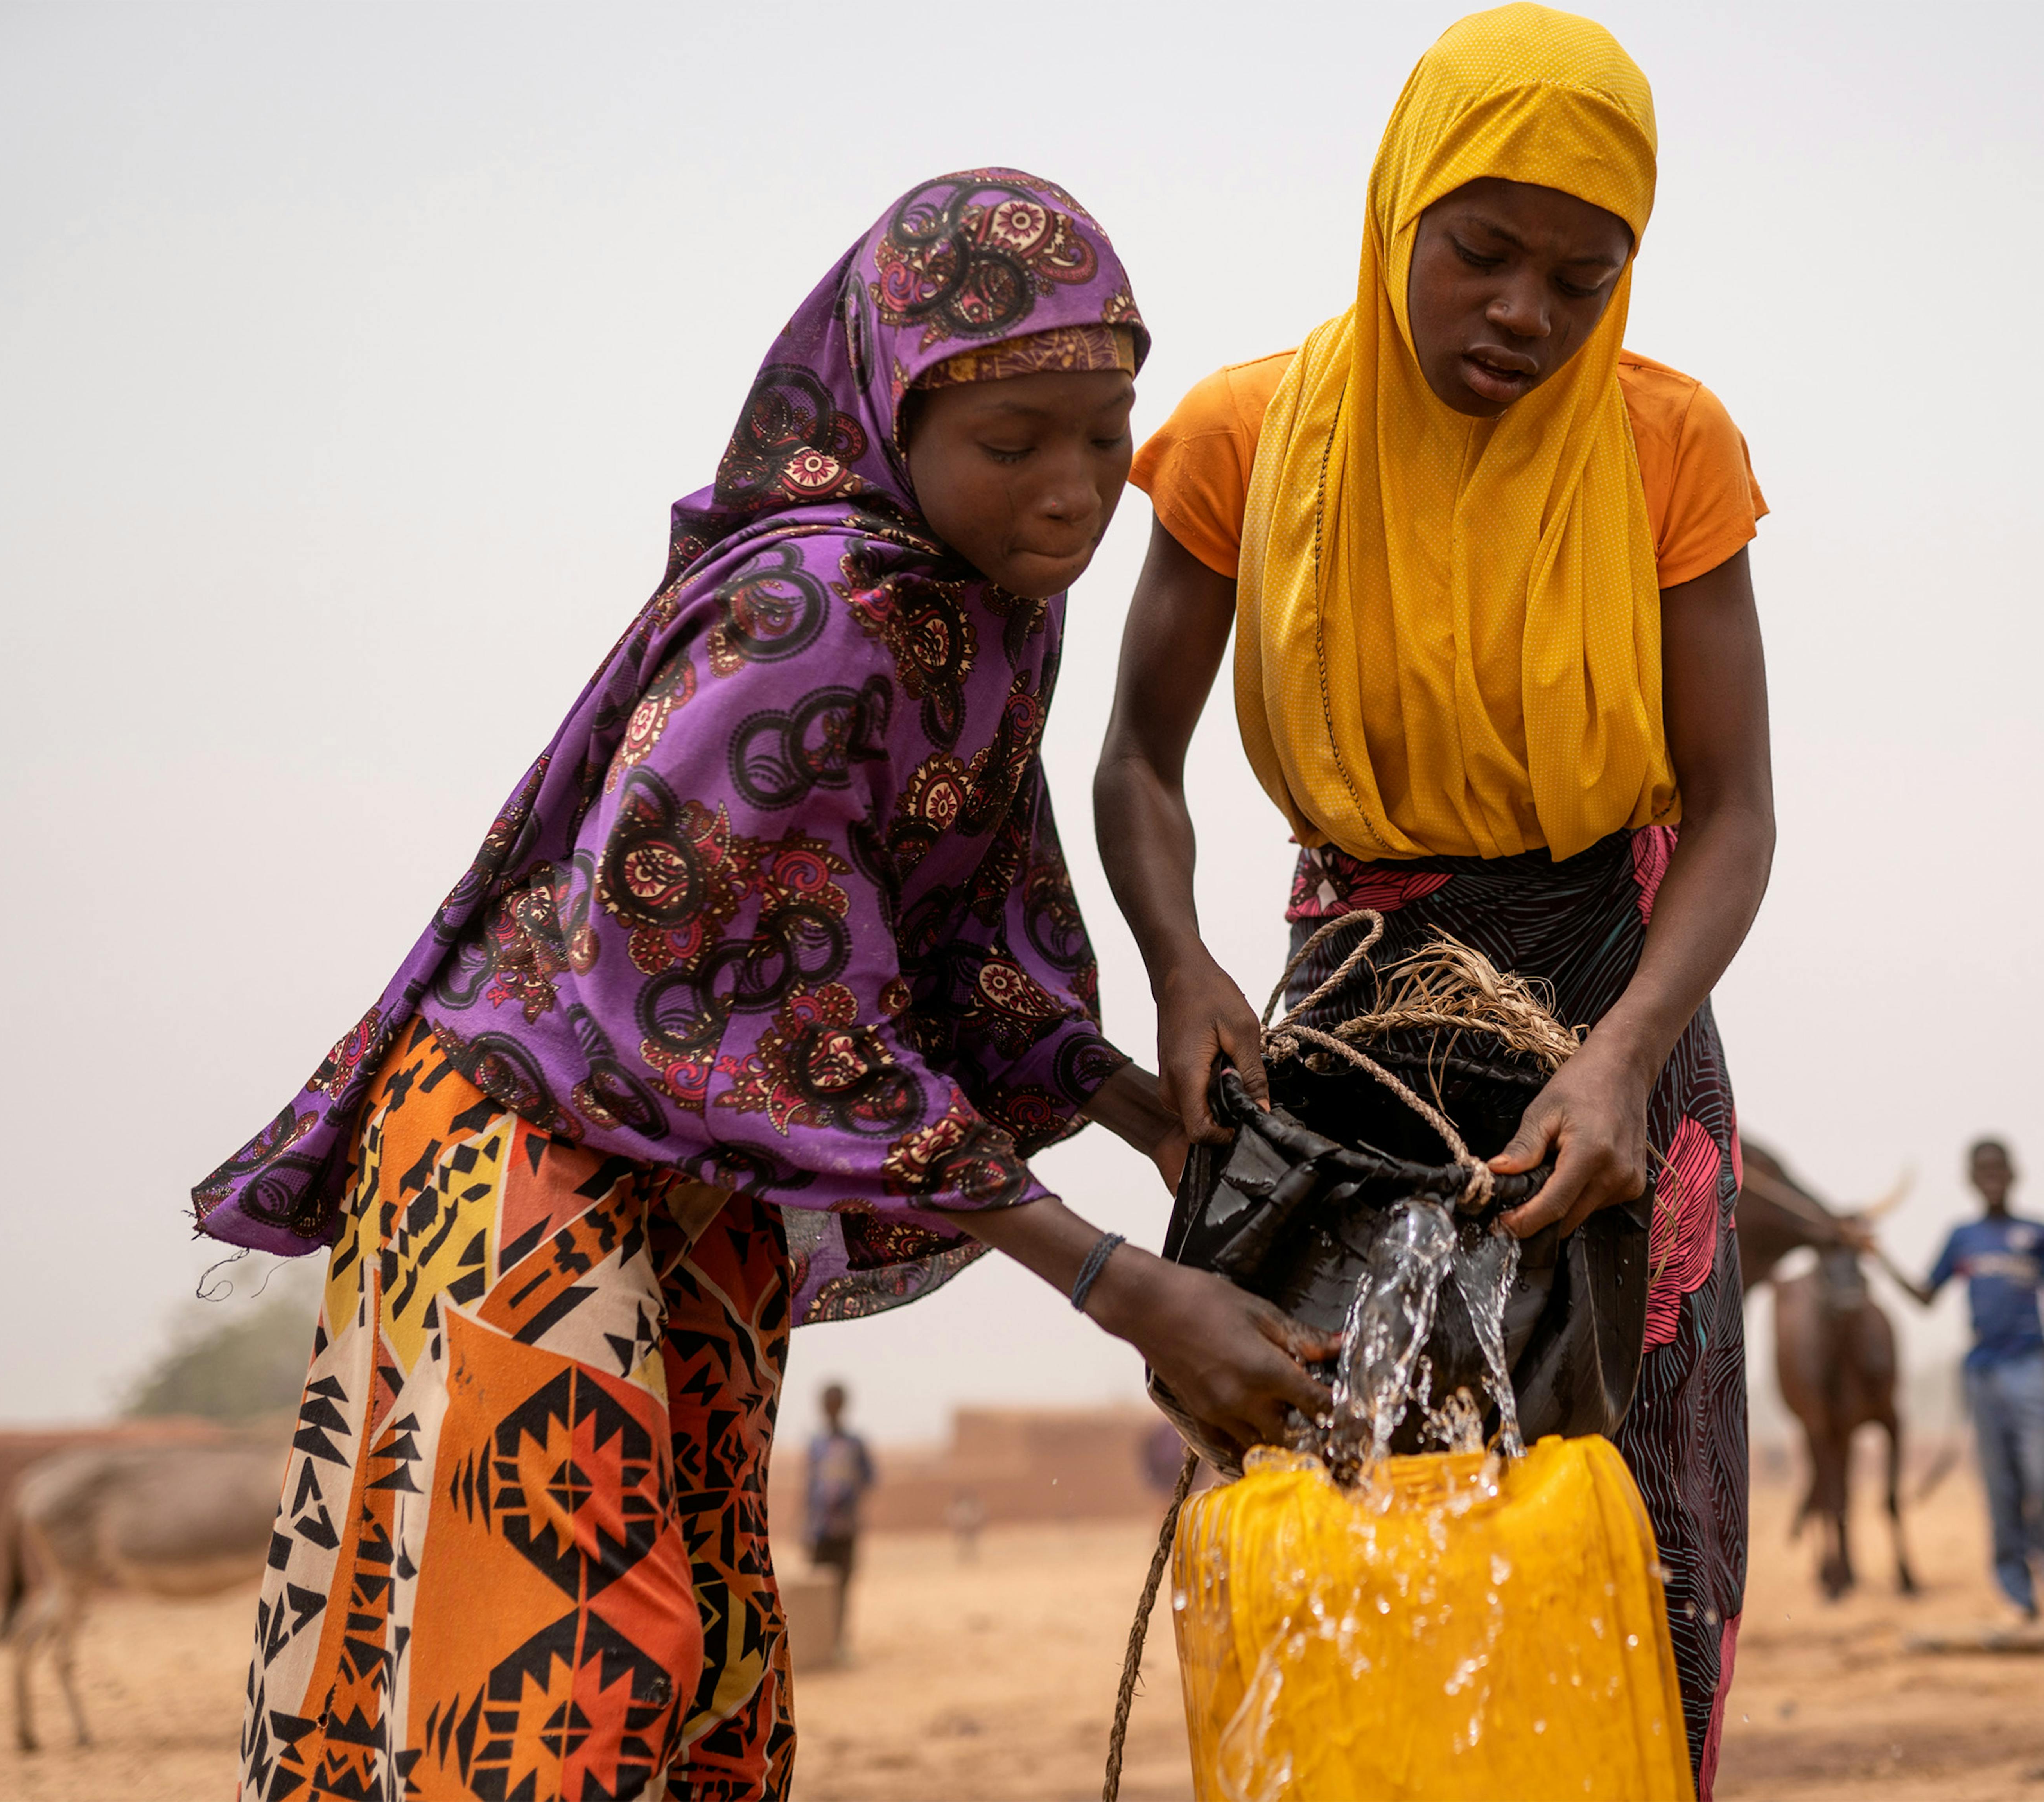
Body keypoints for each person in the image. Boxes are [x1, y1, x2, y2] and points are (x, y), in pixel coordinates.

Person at [189, 172, 1341, 1802]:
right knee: (569, 1673)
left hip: (695, 1176)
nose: (1074, 492)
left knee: (714, 1684)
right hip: (526, 1146)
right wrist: (1112, 1283)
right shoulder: (807, 619)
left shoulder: (989, 614)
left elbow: (952, 955)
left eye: (1105, 435)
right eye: (1014, 444)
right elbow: (772, 1016)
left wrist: (1161, 1120)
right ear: (889, 411)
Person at [1095, 8, 1775, 1777]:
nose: (1523, 315)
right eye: (1480, 253)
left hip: (1608, 1015)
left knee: (1629, 1521)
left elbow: (1737, 806)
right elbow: (1135, 765)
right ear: (1398, 207)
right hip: (1350, 1030)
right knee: (1344, 1503)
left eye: (1580, 272)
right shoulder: (1247, 440)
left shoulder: (1664, 447)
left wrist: (1624, 1057)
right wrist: (1179, 971)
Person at [1877, 1138, 2044, 1621]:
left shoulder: (2036, 1233)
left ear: (2013, 1175)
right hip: (1982, 1374)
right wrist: (1879, 1255)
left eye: (1999, 1169)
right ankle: (2017, 1597)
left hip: (2033, 1367)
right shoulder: (1962, 1237)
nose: (1992, 1177)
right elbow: (1925, 1295)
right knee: (2000, 1488)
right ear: (1972, 1179)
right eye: (1982, 1170)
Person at [807, 1383, 876, 1662]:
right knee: (819, 1589)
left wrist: (848, 1496)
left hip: (846, 1529)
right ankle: (819, 1646)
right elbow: (810, 1487)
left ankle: (838, 1644)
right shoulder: (817, 1445)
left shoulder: (855, 1444)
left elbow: (869, 1479)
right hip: (820, 1529)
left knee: (843, 1588)